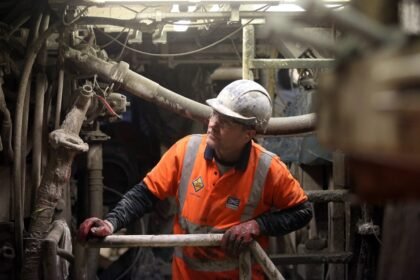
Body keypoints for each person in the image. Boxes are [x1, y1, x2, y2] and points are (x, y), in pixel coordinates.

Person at [78, 79, 313, 279]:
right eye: (214, 114)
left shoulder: (267, 168)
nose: (212, 123)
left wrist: (257, 226)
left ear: (248, 133)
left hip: (241, 275)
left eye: (226, 120)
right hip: (187, 275)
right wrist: (111, 222)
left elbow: (302, 211)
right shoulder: (186, 150)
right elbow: (145, 194)